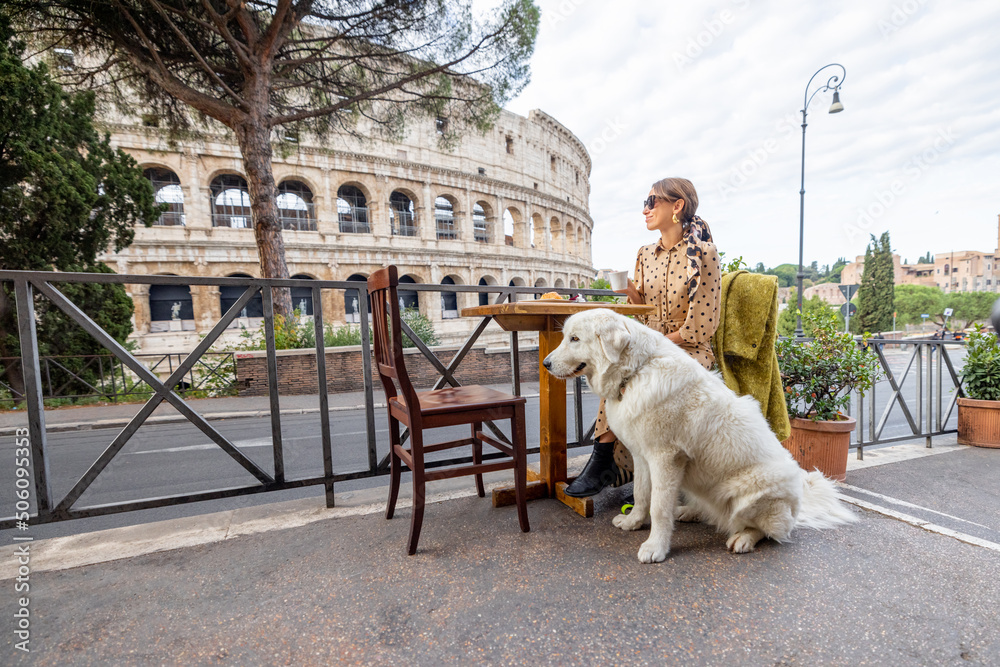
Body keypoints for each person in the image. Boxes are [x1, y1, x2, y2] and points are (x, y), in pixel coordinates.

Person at [564, 177, 722, 497]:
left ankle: (614, 465)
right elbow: (638, 311)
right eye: (644, 203)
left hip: (686, 349)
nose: (645, 210)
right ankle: (604, 458)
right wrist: (627, 291)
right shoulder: (644, 253)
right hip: (647, 344)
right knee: (611, 371)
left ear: (677, 206)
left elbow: (702, 327)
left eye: (652, 202)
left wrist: (654, 344)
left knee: (632, 376)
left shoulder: (703, 254)